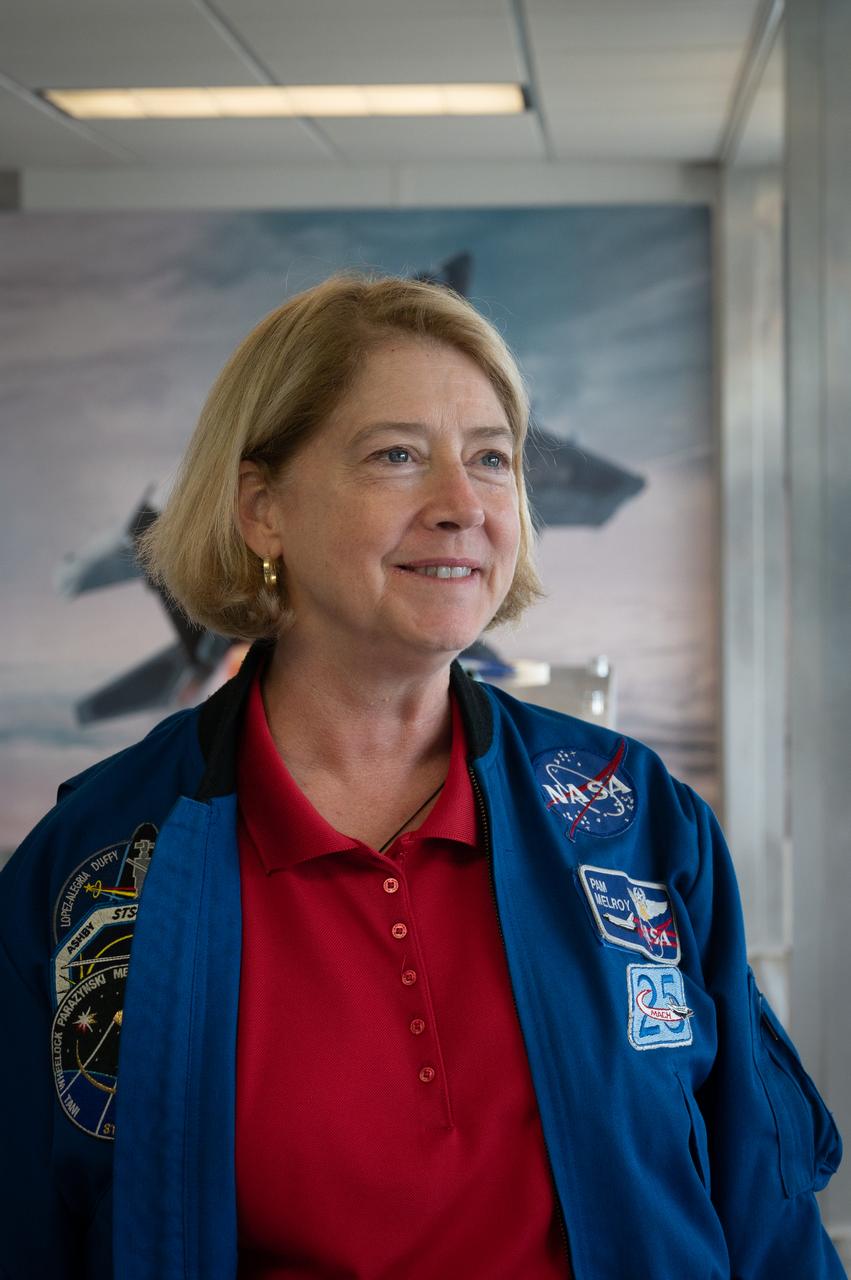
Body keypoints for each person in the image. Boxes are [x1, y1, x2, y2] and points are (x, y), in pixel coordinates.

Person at [0, 273, 843, 1280]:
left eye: (489, 458)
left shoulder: (634, 817)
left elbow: (764, 1211)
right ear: (262, 508)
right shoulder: (91, 863)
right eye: (395, 456)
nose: (461, 505)